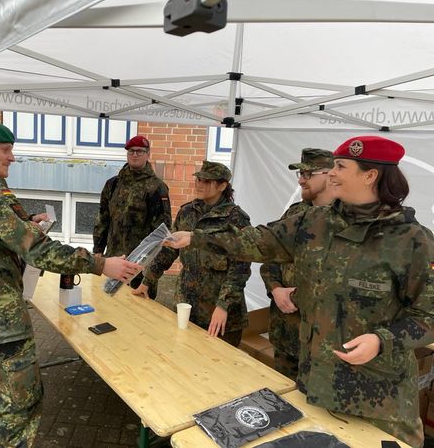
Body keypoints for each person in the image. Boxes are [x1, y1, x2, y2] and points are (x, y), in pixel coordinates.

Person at [165, 136, 434, 447]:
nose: (331, 173)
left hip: (380, 402)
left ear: (370, 175)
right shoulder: (314, 222)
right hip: (316, 384)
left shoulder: (412, 241)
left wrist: (381, 340)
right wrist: (196, 238)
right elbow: (257, 241)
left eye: (341, 166)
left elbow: (428, 314)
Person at [0, 119, 140, 447]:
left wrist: (26, 222)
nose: (12, 157)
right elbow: (39, 250)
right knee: (20, 402)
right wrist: (101, 264)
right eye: (5, 150)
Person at [133, 161, 251, 346]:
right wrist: (148, 281)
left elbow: (240, 269)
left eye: (207, 181)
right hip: (186, 304)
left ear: (222, 185)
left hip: (218, 310)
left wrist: (223, 305)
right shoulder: (187, 212)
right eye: (199, 179)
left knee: (218, 365)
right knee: (183, 356)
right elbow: (168, 250)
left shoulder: (236, 219)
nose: (199, 184)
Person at [260, 148, 334, 380]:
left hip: (322, 341)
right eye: (300, 174)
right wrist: (275, 289)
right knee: (284, 401)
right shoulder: (295, 214)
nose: (301, 180)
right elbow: (269, 257)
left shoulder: (347, 220)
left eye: (308, 174)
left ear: (331, 174)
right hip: (286, 332)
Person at [93, 135, 172, 298]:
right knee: (108, 310)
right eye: (131, 151)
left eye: (139, 151)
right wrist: (98, 250)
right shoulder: (113, 184)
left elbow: (161, 232)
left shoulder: (157, 187)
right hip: (113, 260)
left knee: (139, 316)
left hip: (139, 265)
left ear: (148, 154)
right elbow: (103, 219)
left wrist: (151, 271)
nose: (134, 154)